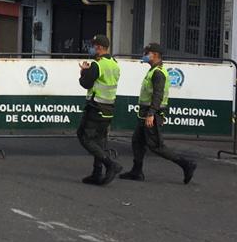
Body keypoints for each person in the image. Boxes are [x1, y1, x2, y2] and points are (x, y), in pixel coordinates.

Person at [122, 43, 197, 184]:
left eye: (147, 53)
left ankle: (186, 164)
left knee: (156, 146)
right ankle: (136, 171)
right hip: (145, 113)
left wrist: (151, 114)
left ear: (155, 55)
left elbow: (158, 95)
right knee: (137, 141)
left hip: (152, 114)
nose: (144, 55)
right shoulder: (153, 70)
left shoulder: (158, 73)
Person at [77, 33, 121, 186]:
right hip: (108, 107)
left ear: (100, 47)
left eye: (94, 46)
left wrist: (83, 72)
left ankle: (110, 164)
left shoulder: (98, 64)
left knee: (84, 137)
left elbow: (86, 83)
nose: (92, 48)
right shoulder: (114, 63)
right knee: (99, 140)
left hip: (95, 107)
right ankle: (97, 173)